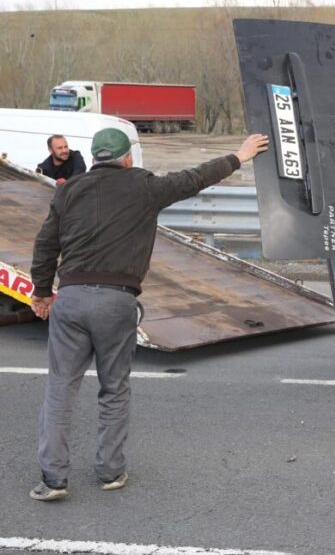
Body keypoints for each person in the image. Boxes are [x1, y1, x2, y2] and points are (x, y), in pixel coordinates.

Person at [28, 128, 269, 501]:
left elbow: (45, 245)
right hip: (117, 300)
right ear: (127, 158)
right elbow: (194, 178)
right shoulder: (145, 186)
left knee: (60, 387)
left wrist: (42, 293)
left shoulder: (68, 190)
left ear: (93, 158)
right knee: (114, 387)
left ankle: (53, 479)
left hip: (72, 297)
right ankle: (110, 472)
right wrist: (239, 156)